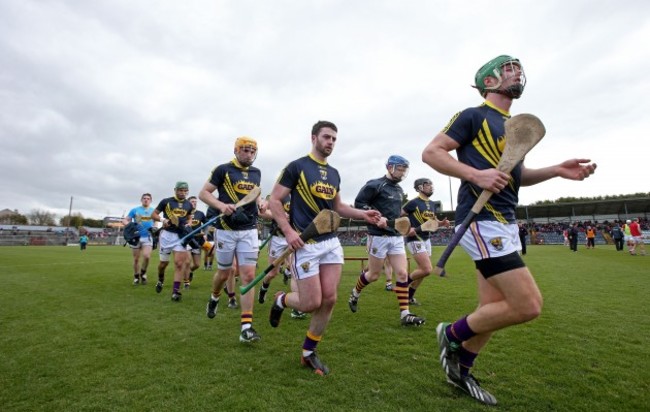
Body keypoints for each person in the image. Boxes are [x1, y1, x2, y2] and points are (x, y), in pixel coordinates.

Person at [421, 54, 597, 405]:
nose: (517, 73)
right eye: (508, 68)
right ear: (488, 81)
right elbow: (431, 153)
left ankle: (461, 370)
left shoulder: (512, 125)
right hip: (483, 221)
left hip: (505, 221)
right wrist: (475, 174)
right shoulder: (473, 116)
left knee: (493, 309)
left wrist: (557, 170)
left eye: (518, 68)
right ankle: (451, 334)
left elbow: (516, 177)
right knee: (527, 305)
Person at [267, 120, 381, 375]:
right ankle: (281, 300)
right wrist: (288, 231)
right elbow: (274, 200)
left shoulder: (335, 173)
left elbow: (338, 208)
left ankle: (308, 353)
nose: (330, 142)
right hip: (305, 244)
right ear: (314, 138)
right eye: (327, 137)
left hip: (330, 242)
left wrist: (364, 214)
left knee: (329, 299)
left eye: (334, 139)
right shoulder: (297, 167)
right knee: (309, 303)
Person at [199, 136, 271, 343]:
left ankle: (246, 327)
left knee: (248, 276)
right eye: (245, 150)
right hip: (226, 230)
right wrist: (221, 206)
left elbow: (255, 194)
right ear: (236, 150)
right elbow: (204, 193)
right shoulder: (223, 169)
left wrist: (262, 202)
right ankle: (214, 298)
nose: (249, 154)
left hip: (249, 229)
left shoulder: (256, 173)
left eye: (252, 151)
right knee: (224, 273)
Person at [348, 155, 425, 327]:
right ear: (390, 167)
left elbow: (397, 216)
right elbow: (359, 203)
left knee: (403, 274)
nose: (402, 172)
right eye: (400, 168)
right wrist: (377, 217)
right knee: (374, 275)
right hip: (377, 237)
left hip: (396, 237)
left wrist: (405, 227)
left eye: (405, 169)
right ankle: (355, 293)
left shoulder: (398, 190)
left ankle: (405, 314)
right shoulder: (375, 184)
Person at [257, 195, 307, 320]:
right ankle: (264, 287)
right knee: (272, 273)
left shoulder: (301, 195)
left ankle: (297, 307)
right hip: (277, 239)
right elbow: (262, 213)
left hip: (294, 236)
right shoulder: (277, 195)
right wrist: (279, 216)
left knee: (294, 270)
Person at [402, 178, 450, 305]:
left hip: (426, 238)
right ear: (419, 187)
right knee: (427, 269)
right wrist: (407, 228)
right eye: (427, 184)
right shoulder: (412, 203)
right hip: (414, 238)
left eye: (431, 184)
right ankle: (402, 284)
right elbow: (397, 215)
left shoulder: (432, 204)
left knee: (423, 272)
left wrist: (442, 223)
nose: (430, 186)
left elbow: (432, 223)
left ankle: (409, 297)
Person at [151, 182, 195, 301]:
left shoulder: (188, 204)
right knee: (163, 264)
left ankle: (176, 292)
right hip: (166, 236)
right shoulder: (166, 201)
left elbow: (190, 216)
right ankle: (160, 279)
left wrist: (189, 223)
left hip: (180, 236)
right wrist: (162, 219)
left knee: (179, 264)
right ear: (175, 190)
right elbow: (153, 214)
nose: (183, 192)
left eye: (185, 190)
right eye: (180, 190)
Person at [123, 193, 155, 285]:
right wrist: (129, 226)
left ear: (151, 200)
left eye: (148, 198)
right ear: (141, 200)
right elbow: (125, 220)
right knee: (136, 259)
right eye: (144, 198)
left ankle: (143, 273)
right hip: (135, 237)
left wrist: (155, 228)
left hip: (147, 237)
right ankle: (136, 276)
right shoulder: (135, 210)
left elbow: (156, 222)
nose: (146, 200)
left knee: (147, 256)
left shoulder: (153, 211)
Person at [185, 196, 207, 288]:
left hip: (196, 241)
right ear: (188, 203)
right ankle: (186, 282)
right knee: (187, 261)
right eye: (192, 201)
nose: (194, 203)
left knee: (197, 265)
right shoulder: (184, 213)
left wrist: (204, 233)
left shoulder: (200, 213)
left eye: (195, 201)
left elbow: (206, 224)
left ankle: (189, 271)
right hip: (187, 240)